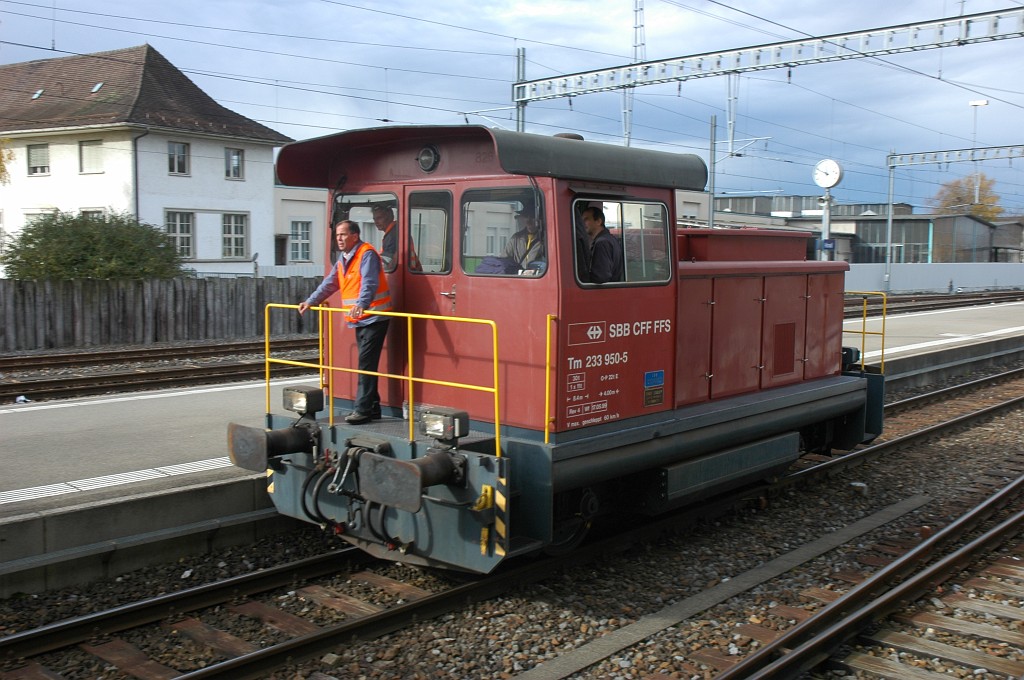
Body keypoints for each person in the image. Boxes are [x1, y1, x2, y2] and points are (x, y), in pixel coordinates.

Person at [298, 220, 392, 424]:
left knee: (365, 365)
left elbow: (369, 282)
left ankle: (363, 410)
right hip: (360, 319)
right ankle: (373, 406)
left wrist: (361, 303)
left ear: (355, 236)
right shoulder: (343, 259)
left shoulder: (367, 254)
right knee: (366, 364)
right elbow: (330, 284)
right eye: (337, 235)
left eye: (343, 234)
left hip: (375, 317)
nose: (338, 238)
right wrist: (311, 301)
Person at [580, 206, 623, 283]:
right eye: (581, 220)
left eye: (586, 219)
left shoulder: (602, 243)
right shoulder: (610, 239)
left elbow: (601, 277)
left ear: (598, 221)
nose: (583, 223)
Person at [371, 205, 398, 271]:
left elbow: (386, 263)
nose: (376, 222)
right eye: (374, 219)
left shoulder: (393, 235)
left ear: (389, 217)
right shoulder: (394, 231)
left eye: (379, 218)